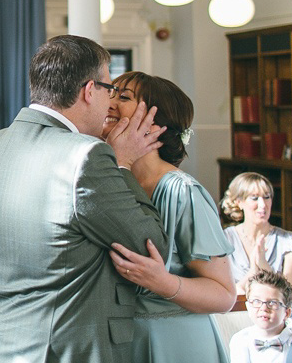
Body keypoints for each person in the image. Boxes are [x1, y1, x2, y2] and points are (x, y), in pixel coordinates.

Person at [0, 35, 169, 363]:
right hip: (56, 352)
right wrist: (123, 163)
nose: (110, 103)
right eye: (109, 89)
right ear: (89, 90)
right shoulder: (86, 155)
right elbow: (150, 247)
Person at [103, 71, 236, 363]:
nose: (109, 102)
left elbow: (224, 295)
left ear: (155, 124)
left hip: (175, 342)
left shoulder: (183, 193)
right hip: (120, 341)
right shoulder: (108, 182)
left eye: (123, 97)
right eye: (109, 93)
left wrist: (163, 283)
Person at [220, 172, 292, 295]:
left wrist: (264, 266)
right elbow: (223, 295)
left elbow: (288, 296)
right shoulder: (224, 239)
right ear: (239, 202)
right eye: (254, 198)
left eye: (267, 197)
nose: (263, 204)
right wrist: (253, 270)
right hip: (233, 311)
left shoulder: (290, 242)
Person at [229, 269, 292, 363]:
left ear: (287, 313)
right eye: (257, 301)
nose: (264, 308)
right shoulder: (239, 341)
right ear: (248, 307)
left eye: (272, 303)